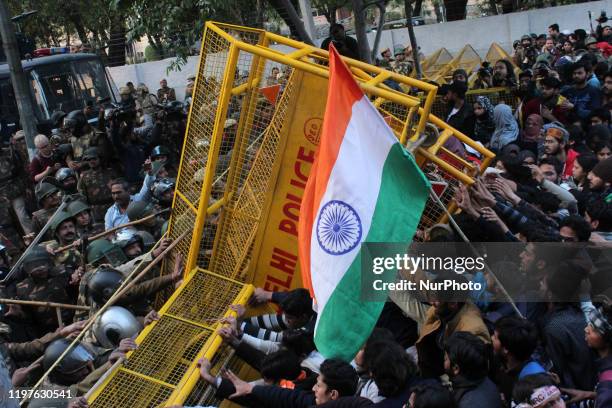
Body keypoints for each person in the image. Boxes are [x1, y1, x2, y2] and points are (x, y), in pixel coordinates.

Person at [492, 316, 546, 402]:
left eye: (495, 337)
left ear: (506, 349)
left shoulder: (533, 382)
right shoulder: (503, 362)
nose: (492, 339)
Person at [444, 331, 501, 407]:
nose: (443, 360)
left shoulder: (469, 403)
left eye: (446, 358)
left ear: (456, 368)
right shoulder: (485, 381)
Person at [77, 147, 119, 223]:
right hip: (96, 212)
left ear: (100, 158)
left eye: (94, 158)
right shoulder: (84, 176)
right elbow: (82, 196)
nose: (91, 161)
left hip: (114, 207)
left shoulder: (110, 172)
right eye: (89, 159)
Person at [440, 82, 472, 157]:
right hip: (444, 138)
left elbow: (467, 134)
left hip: (455, 145)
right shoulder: (450, 105)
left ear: (455, 94)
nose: (447, 94)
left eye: (449, 92)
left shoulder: (469, 112)